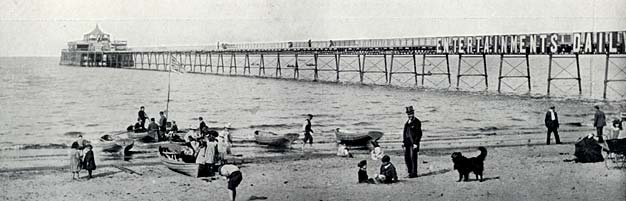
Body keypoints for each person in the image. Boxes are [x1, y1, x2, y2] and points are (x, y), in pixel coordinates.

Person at [403, 106, 422, 178]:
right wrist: (403, 142)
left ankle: (414, 173)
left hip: (413, 143)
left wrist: (416, 143)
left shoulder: (417, 122)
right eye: (408, 114)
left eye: (411, 114)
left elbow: (419, 134)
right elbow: (405, 133)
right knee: (407, 157)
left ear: (413, 113)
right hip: (407, 142)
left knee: (413, 158)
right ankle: (410, 172)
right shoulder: (407, 123)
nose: (409, 115)